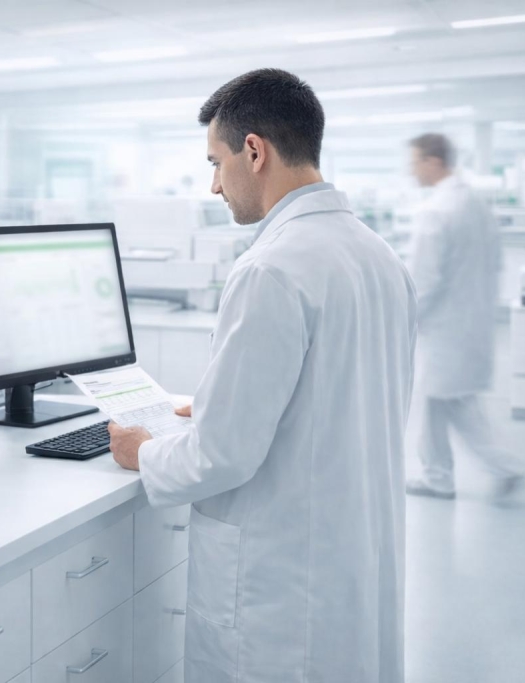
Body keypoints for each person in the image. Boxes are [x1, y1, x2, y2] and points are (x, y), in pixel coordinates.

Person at [108, 69, 417, 682]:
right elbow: (341, 398)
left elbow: (222, 457)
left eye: (216, 163)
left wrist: (144, 452)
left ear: (255, 151)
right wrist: (225, 403)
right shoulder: (379, 256)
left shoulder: (271, 270)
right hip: (351, 562)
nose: (216, 186)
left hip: (283, 591)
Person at [404, 133, 525, 499]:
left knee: (441, 399)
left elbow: (424, 280)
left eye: (415, 162)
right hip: (470, 320)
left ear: (433, 161)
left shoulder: (436, 211)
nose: (411, 170)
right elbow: (493, 262)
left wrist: (404, 319)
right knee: (443, 401)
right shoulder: (474, 204)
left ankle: (486, 469)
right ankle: (442, 474)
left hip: (444, 327)